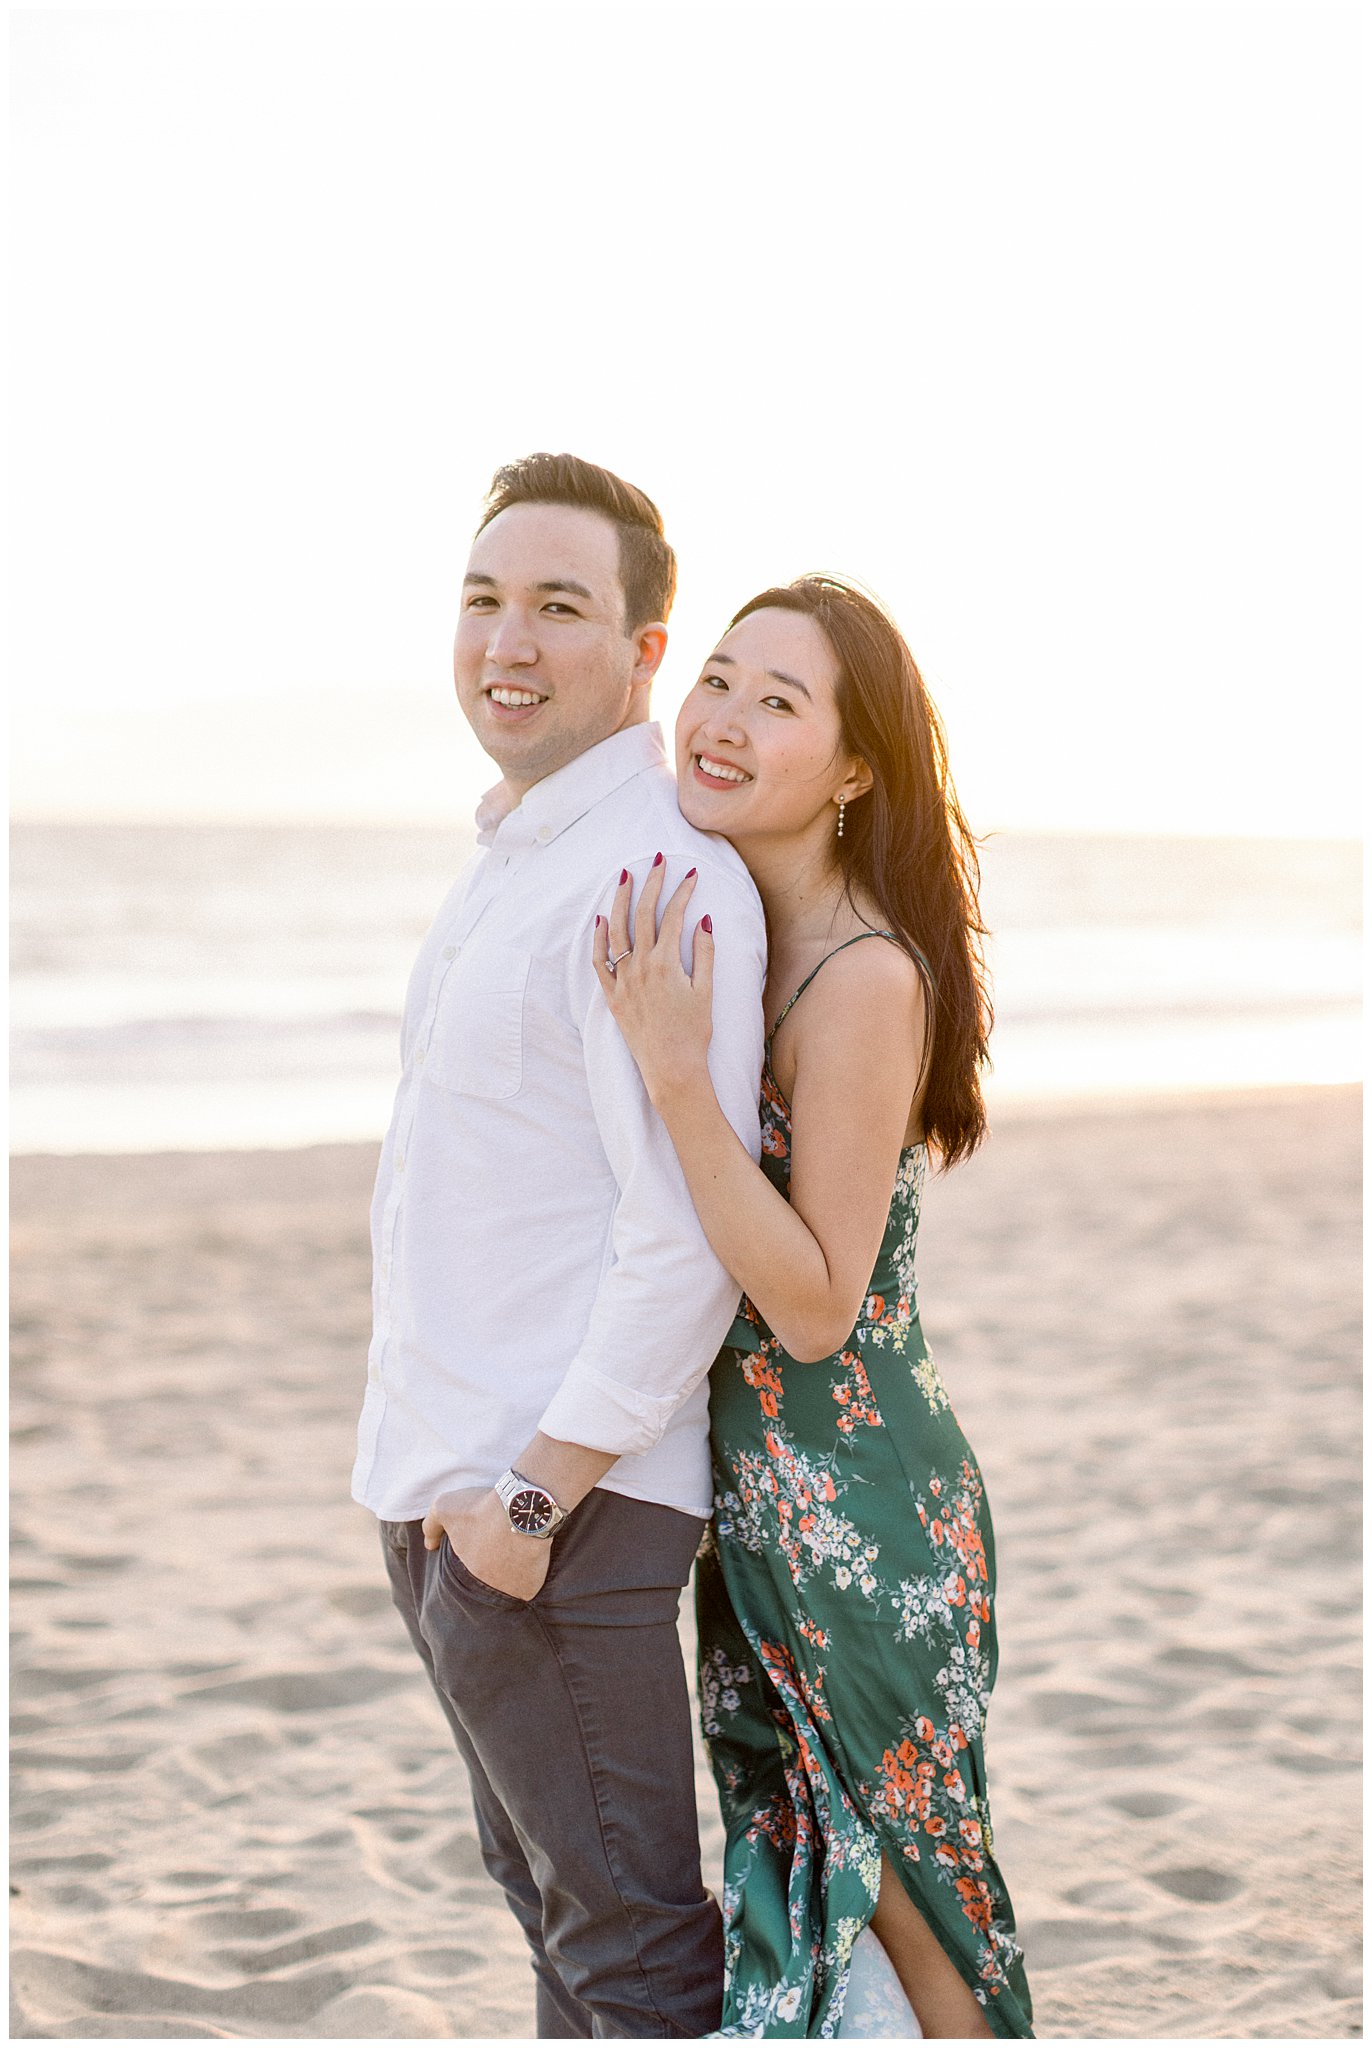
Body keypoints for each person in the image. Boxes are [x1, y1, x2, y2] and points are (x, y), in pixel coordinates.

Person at [352, 453, 768, 2038]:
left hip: (553, 1510)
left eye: (558, 607)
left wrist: (530, 1500)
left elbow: (684, 1244)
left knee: (630, 1952)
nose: (506, 642)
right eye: (482, 600)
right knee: (553, 1923)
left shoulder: (654, 876)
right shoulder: (519, 855)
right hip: (451, 1495)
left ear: (647, 650)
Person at [592, 576, 1035, 2039]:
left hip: (865, 1506)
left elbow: (816, 1309)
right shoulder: (749, 936)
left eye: (777, 702)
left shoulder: (863, 979)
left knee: (917, 1908)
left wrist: (671, 1071)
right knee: (812, 1876)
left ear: (855, 769)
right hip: (768, 1505)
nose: (720, 720)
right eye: (716, 680)